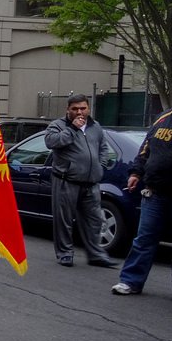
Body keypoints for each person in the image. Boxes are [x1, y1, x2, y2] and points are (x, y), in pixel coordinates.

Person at [112, 76, 172, 299]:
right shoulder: (162, 119)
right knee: (144, 239)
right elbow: (145, 148)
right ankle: (130, 281)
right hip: (155, 192)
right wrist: (136, 172)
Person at [44, 95, 117, 268]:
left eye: (83, 108)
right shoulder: (57, 126)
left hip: (91, 183)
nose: (79, 112)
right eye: (75, 108)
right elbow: (51, 142)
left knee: (94, 221)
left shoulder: (95, 126)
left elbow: (103, 147)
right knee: (64, 220)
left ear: (88, 109)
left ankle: (96, 254)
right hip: (66, 180)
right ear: (67, 109)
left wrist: (101, 165)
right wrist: (72, 129)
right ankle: (65, 253)